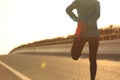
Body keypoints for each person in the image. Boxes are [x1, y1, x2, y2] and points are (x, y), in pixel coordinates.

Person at [66, 0, 100, 80]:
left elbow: (97, 15)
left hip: (93, 34)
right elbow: (68, 9)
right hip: (82, 34)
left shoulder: (96, 2)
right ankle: (75, 39)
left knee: (92, 59)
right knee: (74, 56)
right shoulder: (78, 1)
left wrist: (87, 23)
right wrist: (77, 20)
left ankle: (92, 79)